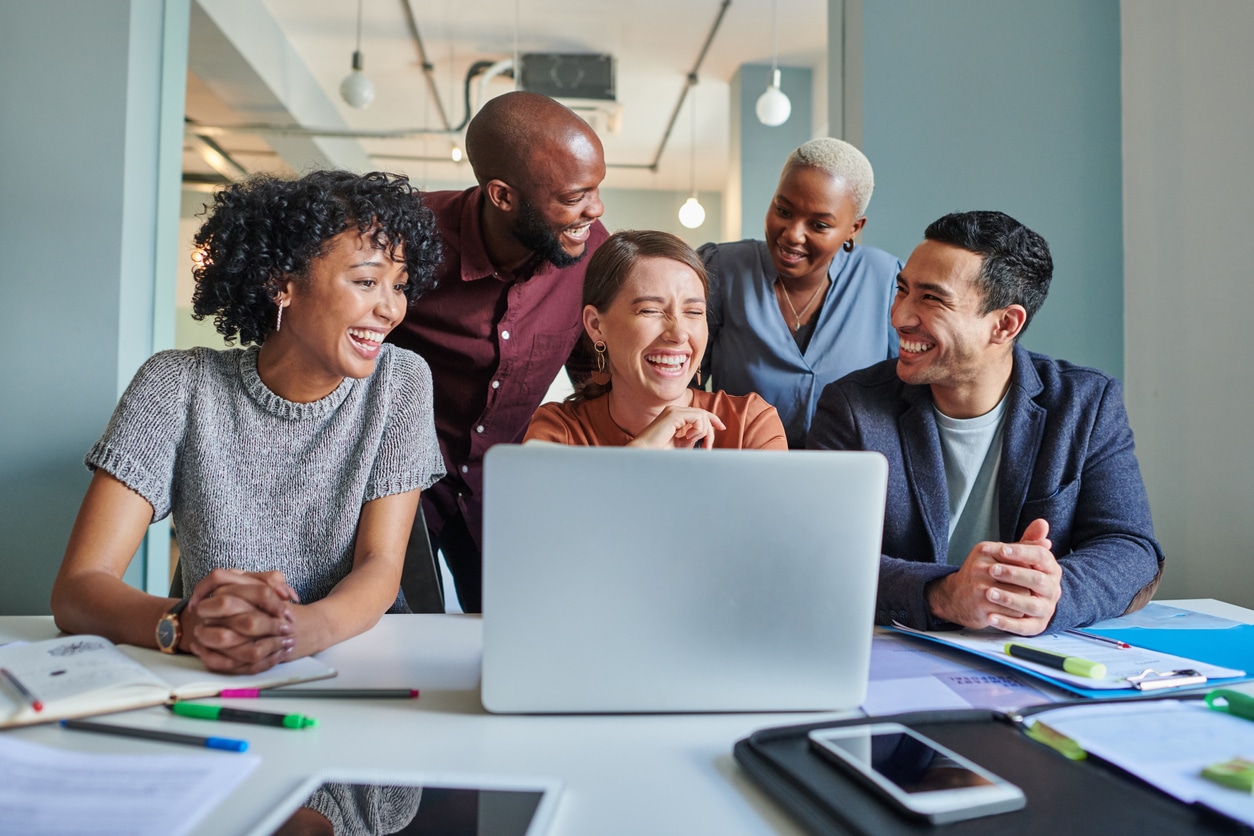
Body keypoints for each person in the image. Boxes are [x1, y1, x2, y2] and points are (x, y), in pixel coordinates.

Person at [51, 171, 446, 674]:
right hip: (212, 669)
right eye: (366, 281)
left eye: (400, 286)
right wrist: (187, 625)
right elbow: (78, 586)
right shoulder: (178, 385)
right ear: (281, 283)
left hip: (360, 662)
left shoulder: (400, 382)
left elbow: (382, 567)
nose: (391, 308)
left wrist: (300, 631)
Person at [808, 211, 1163, 636]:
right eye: (902, 290)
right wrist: (944, 594)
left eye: (932, 299)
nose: (900, 316)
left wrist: (1048, 593)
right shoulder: (851, 405)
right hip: (902, 653)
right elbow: (821, 553)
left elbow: (1131, 546)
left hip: (1032, 660)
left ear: (1005, 324)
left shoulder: (1086, 404)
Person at [386, 91, 609, 613]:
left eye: (597, 189)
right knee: (397, 635)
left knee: (523, 634)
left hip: (505, 490)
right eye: (576, 196)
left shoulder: (590, 247)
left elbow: (595, 378)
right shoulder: (407, 237)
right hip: (402, 490)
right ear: (503, 196)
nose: (595, 210)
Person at [699, 138, 900, 448]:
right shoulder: (722, 270)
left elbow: (905, 400)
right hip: (739, 474)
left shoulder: (885, 281)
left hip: (845, 481)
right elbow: (681, 384)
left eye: (819, 225)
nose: (792, 234)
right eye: (783, 210)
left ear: (854, 229)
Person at [525, 230, 787, 450]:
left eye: (694, 312)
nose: (679, 334)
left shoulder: (750, 424)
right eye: (650, 310)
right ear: (596, 325)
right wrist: (642, 450)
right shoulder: (559, 432)